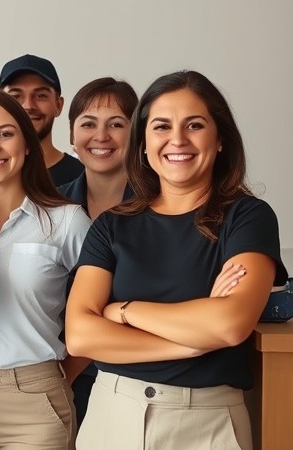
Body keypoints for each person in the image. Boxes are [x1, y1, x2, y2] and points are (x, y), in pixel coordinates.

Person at [65, 70, 289, 450]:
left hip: (209, 423)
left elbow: (229, 324)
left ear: (219, 140)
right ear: (144, 144)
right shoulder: (112, 226)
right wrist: (191, 343)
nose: (178, 140)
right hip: (113, 415)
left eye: (195, 125)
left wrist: (124, 311)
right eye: (162, 126)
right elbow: (81, 335)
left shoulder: (248, 217)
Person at [0, 89, 91, 449]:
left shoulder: (66, 222)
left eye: (5, 134)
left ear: (27, 144)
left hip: (36, 405)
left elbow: (105, 303)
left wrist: (60, 375)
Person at [57, 77, 138, 425]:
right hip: (55, 378)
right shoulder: (49, 207)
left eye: (116, 124)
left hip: (132, 377)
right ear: (72, 136)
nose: (101, 136)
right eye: (88, 124)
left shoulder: (163, 209)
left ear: (137, 135)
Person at [0, 53, 84, 186]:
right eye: (15, 96)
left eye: (40, 96)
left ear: (58, 105)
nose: (28, 106)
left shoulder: (82, 177)